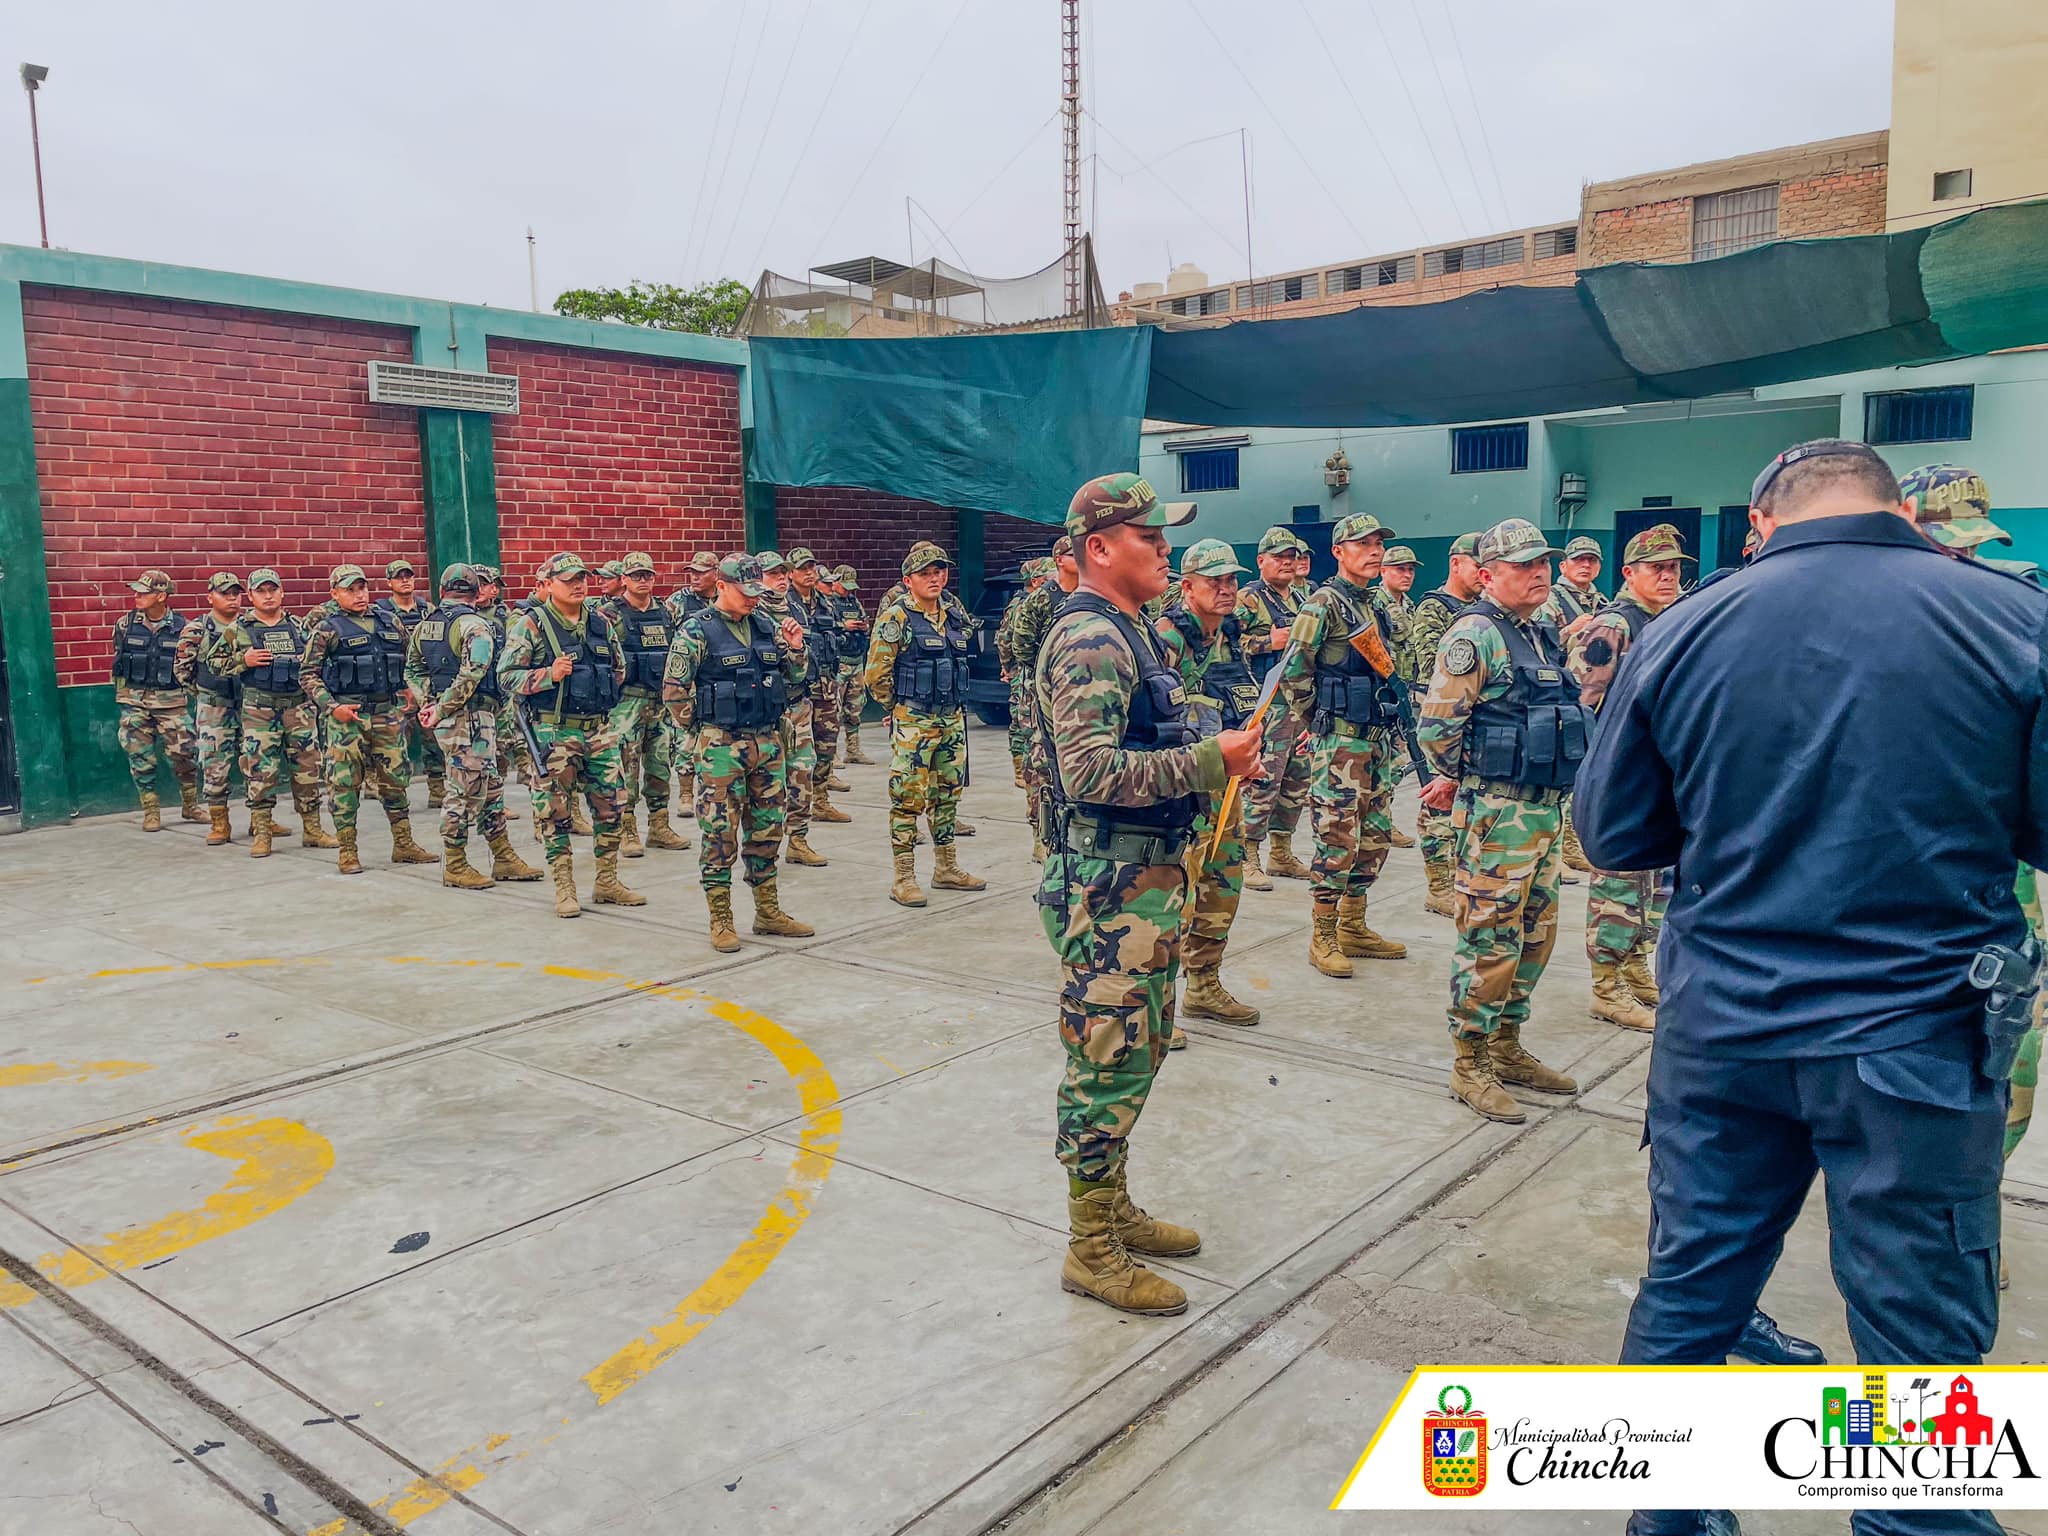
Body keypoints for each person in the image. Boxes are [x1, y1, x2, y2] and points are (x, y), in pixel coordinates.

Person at [1577, 440, 2042, 1536]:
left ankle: (1671, 1515)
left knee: (1690, 1291)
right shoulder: (2008, 619)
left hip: (1720, 1033)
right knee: (1915, 1337)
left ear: (1761, 517)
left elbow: (1611, 835)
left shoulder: (1683, 628)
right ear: (1897, 509)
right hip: (1914, 1042)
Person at [1035, 472, 1259, 1317]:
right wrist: (1211, 763)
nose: (1165, 550)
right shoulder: (1090, 638)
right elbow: (1086, 769)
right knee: (1106, 1055)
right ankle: (1089, 1246)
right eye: (1149, 539)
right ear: (1099, 548)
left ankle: (1113, 1207)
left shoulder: (1133, 634)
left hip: (1151, 879)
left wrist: (1214, 739)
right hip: (1112, 888)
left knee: (1142, 1045)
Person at [1414, 518, 1586, 1124]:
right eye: (1522, 566)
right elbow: (1436, 731)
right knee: (1488, 939)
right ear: (1487, 576)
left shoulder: (1539, 632)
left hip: (1542, 811)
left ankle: (1507, 1045)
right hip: (1497, 813)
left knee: (1535, 936)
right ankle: (1470, 1063)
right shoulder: (1476, 635)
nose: (1538, 573)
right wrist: (1476, 779)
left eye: (1542, 563)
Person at [1267, 513, 1409, 977]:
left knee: (1375, 837)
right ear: (1338, 552)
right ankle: (1323, 933)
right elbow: (1293, 670)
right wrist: (1318, 721)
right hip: (1341, 742)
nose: (1374, 550)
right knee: (1336, 837)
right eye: (1362, 543)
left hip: (1377, 740)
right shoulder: (1322, 604)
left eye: (1378, 543)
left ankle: (1353, 924)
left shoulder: (1377, 605)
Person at [1566, 525, 1690, 1034]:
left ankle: (1636, 964)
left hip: (1661, 769)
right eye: (1656, 567)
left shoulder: (1671, 620)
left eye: (1675, 567)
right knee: (1619, 882)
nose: (1667, 575)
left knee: (1656, 882)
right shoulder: (1615, 625)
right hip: (1624, 772)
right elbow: (1581, 701)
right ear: (1630, 573)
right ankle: (1606, 986)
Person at [662, 555, 813, 950]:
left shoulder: (765, 624)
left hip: (768, 743)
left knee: (767, 830)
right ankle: (722, 918)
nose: (752, 600)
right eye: (746, 593)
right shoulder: (696, 630)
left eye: (756, 592)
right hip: (722, 747)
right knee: (719, 833)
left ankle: (767, 911)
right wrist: (704, 730)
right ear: (722, 586)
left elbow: (794, 678)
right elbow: (674, 692)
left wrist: (796, 649)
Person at [496, 552, 641, 917]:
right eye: (569, 580)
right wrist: (549, 675)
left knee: (612, 807)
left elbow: (619, 668)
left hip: (599, 731)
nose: (579, 585)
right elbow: (506, 676)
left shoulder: (600, 623)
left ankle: (606, 881)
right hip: (553, 732)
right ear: (546, 585)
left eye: (582, 579)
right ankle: (564, 887)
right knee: (555, 813)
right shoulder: (531, 624)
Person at [1157, 539, 1264, 1030]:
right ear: (1187, 586)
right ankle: (1161, 1004)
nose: (1226, 590)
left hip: (1227, 788)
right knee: (1176, 897)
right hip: (1185, 790)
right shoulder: (1168, 639)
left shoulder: (1230, 636)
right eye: (1214, 581)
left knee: (1222, 890)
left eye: (1231, 581)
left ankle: (1204, 985)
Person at [406, 563, 541, 890]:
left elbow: (412, 669)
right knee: (463, 790)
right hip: (470, 718)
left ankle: (503, 856)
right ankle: (454, 863)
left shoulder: (426, 626)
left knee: (490, 785)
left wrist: (431, 703)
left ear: (442, 591)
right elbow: (473, 674)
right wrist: (440, 708)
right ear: (477, 592)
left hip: (453, 717)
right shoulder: (476, 626)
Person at [864, 541, 984, 906]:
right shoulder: (896, 618)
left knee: (948, 794)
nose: (934, 579)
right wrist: (899, 709)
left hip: (951, 718)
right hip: (914, 719)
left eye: (939, 572)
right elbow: (875, 676)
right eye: (925, 574)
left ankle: (946, 867)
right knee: (907, 798)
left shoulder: (954, 614)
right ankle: (903, 877)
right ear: (908, 580)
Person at [300, 564, 437, 874]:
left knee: (395, 780)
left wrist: (412, 693)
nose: (359, 594)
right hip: (348, 717)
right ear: (335, 593)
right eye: (350, 589)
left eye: (362, 587)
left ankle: (403, 844)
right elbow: (308, 675)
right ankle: (348, 851)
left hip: (387, 713)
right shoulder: (327, 628)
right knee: (345, 784)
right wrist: (331, 706)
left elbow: (411, 660)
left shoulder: (389, 621)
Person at [205, 568, 333, 856]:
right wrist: (243, 659)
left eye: (272, 589)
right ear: (250, 596)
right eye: (261, 591)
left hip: (298, 708)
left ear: (282, 592)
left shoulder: (299, 627)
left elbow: (321, 661)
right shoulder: (239, 629)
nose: (268, 595)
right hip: (259, 710)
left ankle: (312, 829)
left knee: (308, 769)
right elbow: (213, 664)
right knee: (260, 771)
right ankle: (262, 833)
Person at [1404, 533, 1483, 916]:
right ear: (1456, 564)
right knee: (1435, 799)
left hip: (1473, 714)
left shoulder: (1485, 609)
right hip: (1438, 711)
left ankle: (1457, 875)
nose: (1482, 573)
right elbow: (1434, 662)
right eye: (1475, 564)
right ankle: (1438, 885)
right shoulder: (1434, 608)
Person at [1237, 527, 1313, 889]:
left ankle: (1281, 851)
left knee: (1296, 781)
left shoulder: (1301, 599)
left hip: (1298, 704)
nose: (1287, 562)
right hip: (1267, 705)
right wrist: (1267, 641)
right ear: (1261, 561)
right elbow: (1225, 643)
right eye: (1279, 557)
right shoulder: (1249, 599)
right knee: (1262, 780)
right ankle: (1247, 854)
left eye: (1291, 556)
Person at [606, 551, 691, 858]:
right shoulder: (610, 614)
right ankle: (627, 829)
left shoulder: (666, 612)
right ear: (624, 579)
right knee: (625, 768)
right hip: (627, 703)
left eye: (647, 575)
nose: (642, 581)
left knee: (659, 765)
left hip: (659, 703)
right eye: (636, 575)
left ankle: (659, 826)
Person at [111, 568, 202, 831]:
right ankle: (151, 811)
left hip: (172, 701)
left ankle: (190, 805)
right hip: (134, 700)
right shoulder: (125, 624)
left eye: (144, 592)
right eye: (136, 591)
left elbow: (192, 664)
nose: (137, 596)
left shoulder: (184, 627)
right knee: (139, 756)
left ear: (161, 596)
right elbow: (119, 659)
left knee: (184, 753)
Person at [1009, 536, 1079, 855]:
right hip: (1045, 692)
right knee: (1040, 762)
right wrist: (1045, 673)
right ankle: (1040, 832)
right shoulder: (1041, 599)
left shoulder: (1092, 593)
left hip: (1080, 693)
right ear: (1060, 560)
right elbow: (1021, 644)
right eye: (1072, 554)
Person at [178, 572, 248, 845]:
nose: (231, 599)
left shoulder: (249, 625)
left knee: (258, 763)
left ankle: (261, 820)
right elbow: (182, 671)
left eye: (235, 593)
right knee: (214, 765)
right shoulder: (197, 629)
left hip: (249, 705)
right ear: (210, 597)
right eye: (224, 594)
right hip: (214, 708)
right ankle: (220, 822)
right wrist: (206, 696)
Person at [375, 557, 445, 809]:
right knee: (395, 743)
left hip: (427, 686)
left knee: (433, 740)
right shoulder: (382, 613)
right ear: (389, 582)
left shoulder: (428, 610)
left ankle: (437, 789)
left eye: (409, 575)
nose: (405, 580)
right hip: (398, 687)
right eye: (398, 577)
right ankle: (394, 792)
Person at [787, 548, 851, 825]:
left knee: (826, 745)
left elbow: (838, 638)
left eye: (811, 567)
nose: (809, 572)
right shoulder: (783, 604)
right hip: (799, 688)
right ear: (790, 574)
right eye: (802, 568)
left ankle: (821, 801)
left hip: (826, 685)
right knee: (797, 753)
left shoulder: (827, 603)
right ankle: (794, 807)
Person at [1373, 545, 1421, 850]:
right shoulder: (1376, 603)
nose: (1406, 574)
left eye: (1411, 569)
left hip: (1404, 691)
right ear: (1383, 571)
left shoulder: (1409, 605)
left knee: (1395, 761)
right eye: (1399, 569)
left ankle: (1383, 820)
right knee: (1386, 761)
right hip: (1385, 693)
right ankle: (1380, 822)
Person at [998, 558, 1050, 787]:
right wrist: (1009, 668)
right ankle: (1021, 769)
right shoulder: (1022, 605)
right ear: (1037, 581)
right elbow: (1006, 639)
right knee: (1023, 720)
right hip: (1024, 670)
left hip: (1030, 669)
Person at [827, 563, 874, 765]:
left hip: (856, 661)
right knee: (833, 710)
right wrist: (843, 626)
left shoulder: (854, 602)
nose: (848, 590)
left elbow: (865, 622)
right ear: (835, 582)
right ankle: (832, 753)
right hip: (840, 663)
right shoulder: (827, 603)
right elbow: (826, 628)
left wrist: (863, 626)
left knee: (854, 708)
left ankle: (853, 749)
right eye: (844, 586)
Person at [1539, 534, 1605, 631]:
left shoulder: (1602, 602)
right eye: (1578, 559)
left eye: (1592, 560)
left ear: (1599, 568)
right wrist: (1569, 631)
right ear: (1563, 566)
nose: (1586, 565)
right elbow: (1538, 642)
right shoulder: (1549, 600)